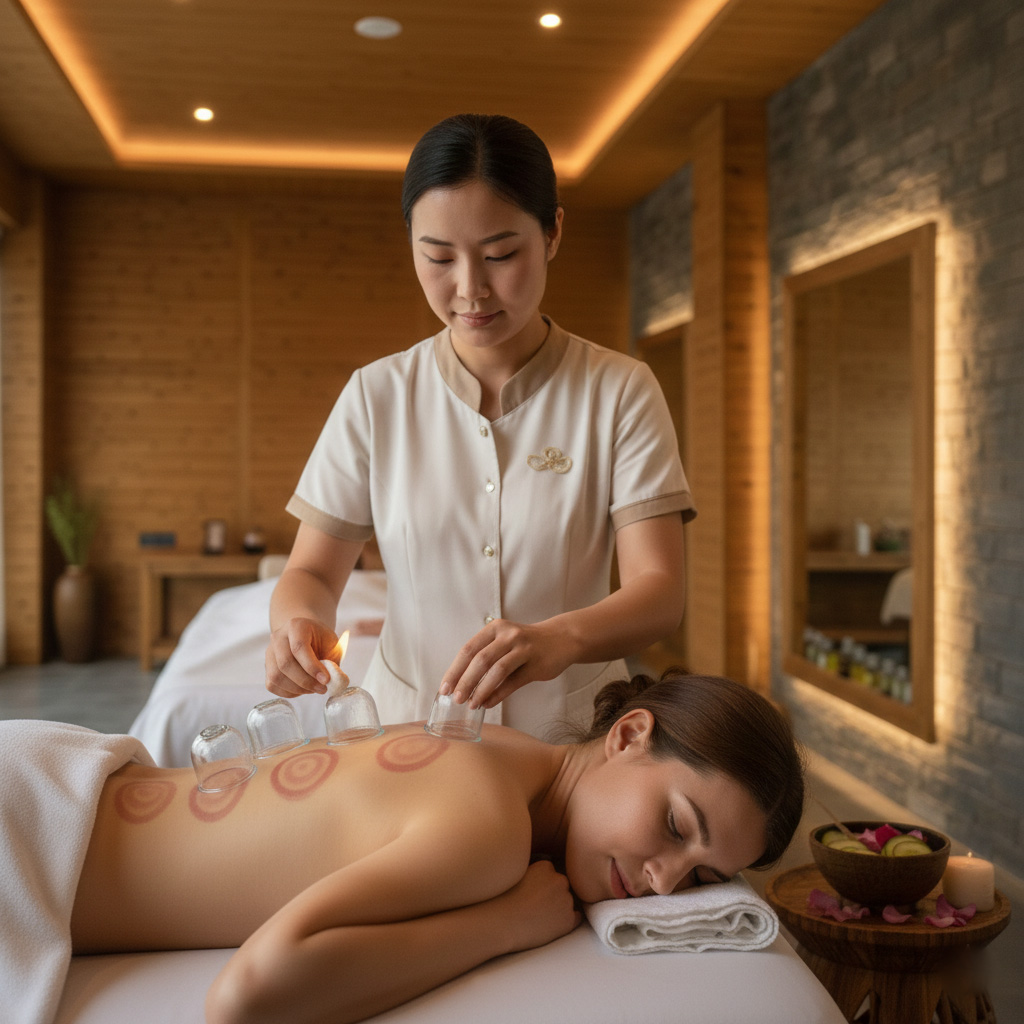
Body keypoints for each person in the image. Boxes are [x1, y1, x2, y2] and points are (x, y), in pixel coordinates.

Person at [38, 671, 804, 1024]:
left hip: (52, 778)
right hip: (32, 839)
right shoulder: (490, 824)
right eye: (675, 826)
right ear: (628, 736)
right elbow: (246, 998)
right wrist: (502, 927)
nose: (667, 883)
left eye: (704, 875)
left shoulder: (490, 745)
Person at [266, 113, 695, 736]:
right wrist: (297, 625)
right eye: (438, 257)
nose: (470, 290)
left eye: (501, 254)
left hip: (568, 738)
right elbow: (310, 572)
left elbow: (659, 591)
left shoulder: (620, 390)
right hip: (409, 735)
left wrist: (562, 639)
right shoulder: (377, 395)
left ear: (552, 234)